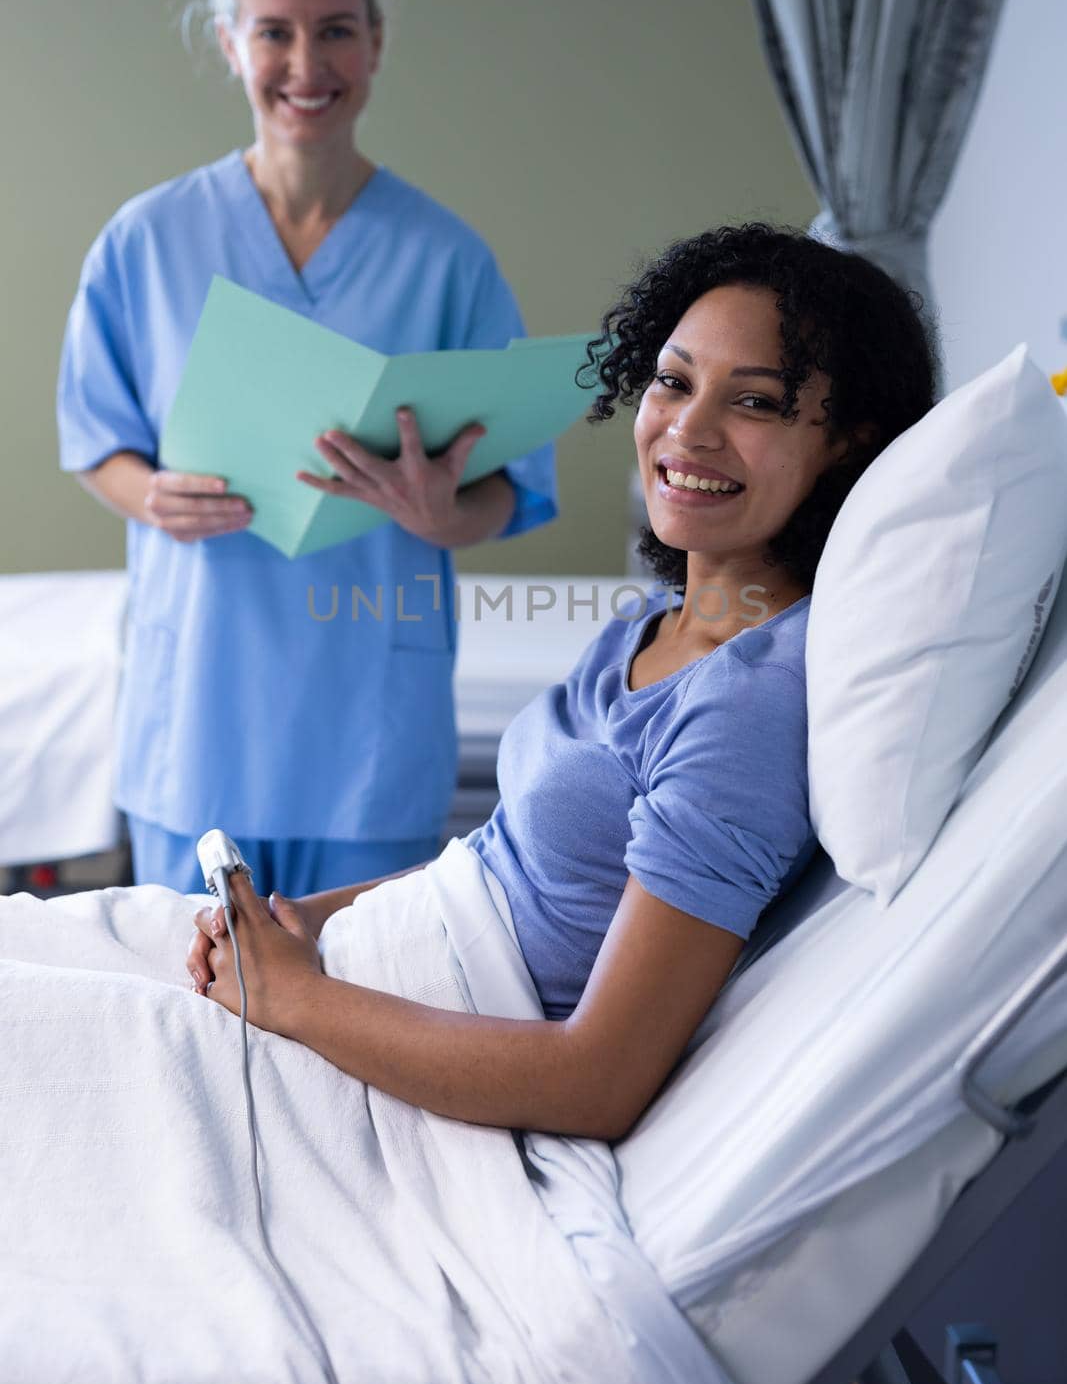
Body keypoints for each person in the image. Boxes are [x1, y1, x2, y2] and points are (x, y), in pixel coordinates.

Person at [179, 220, 939, 1139]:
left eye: (757, 403)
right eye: (673, 381)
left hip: (399, 1032)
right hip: (361, 971)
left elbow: (597, 1082)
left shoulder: (744, 704)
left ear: (848, 446)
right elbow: (511, 865)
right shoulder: (649, 627)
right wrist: (306, 919)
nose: (687, 431)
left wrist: (295, 999)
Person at [55, 0, 557, 901]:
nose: (304, 62)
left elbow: (512, 486)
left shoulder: (444, 257)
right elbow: (94, 438)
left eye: (334, 30)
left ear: (374, 43)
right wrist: (149, 496)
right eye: (275, 32)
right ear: (228, 43)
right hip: (196, 711)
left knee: (360, 1014)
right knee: (190, 1013)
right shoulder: (145, 242)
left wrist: (442, 512)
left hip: (365, 731)